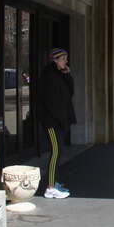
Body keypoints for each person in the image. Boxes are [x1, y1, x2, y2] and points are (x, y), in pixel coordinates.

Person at [41, 48, 76, 199]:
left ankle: (53, 182)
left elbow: (70, 93)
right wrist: (59, 120)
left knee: (59, 151)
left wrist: (67, 74)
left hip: (60, 121)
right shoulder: (49, 76)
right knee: (56, 152)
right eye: (63, 59)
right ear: (55, 60)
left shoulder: (59, 74)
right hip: (52, 122)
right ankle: (50, 188)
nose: (66, 61)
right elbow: (51, 102)